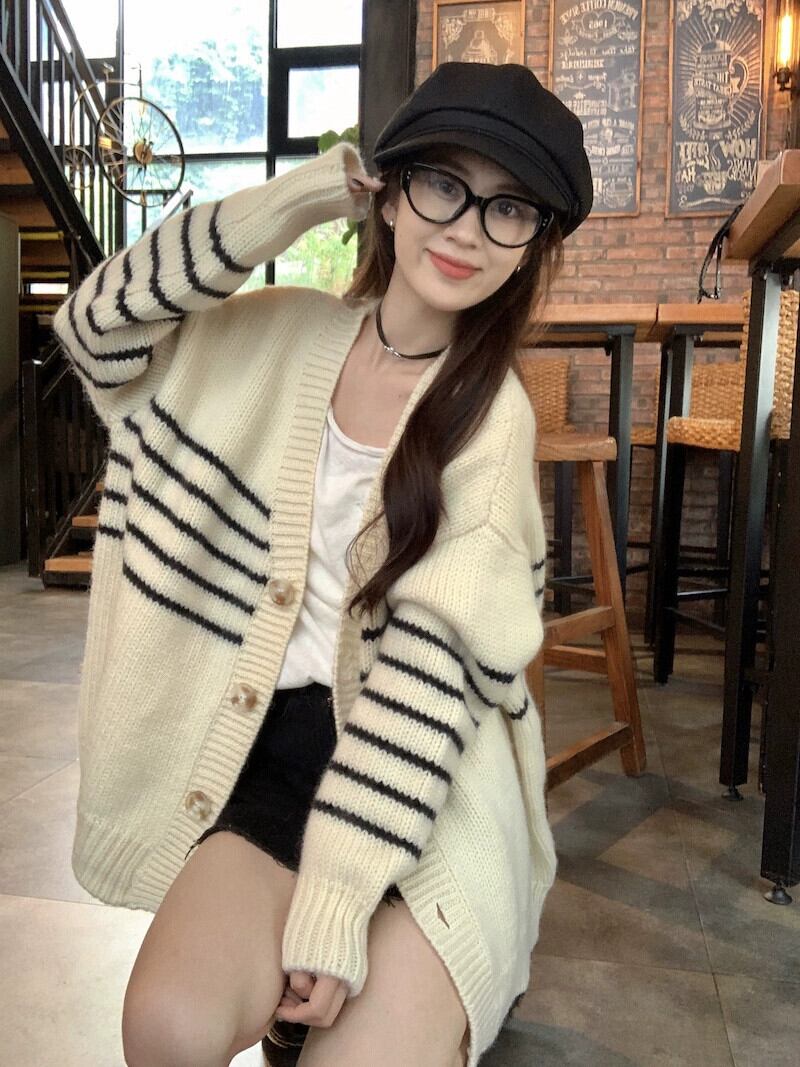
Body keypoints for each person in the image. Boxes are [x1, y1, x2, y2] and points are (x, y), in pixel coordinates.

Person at [52, 61, 592, 1067]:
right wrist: (295, 200)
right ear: (386, 191)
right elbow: (95, 325)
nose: (467, 228)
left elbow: (425, 691)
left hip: (425, 774)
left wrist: (333, 905)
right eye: (442, 183)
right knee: (165, 1030)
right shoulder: (275, 334)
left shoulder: (492, 420)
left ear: (533, 244)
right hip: (269, 751)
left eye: (510, 207)